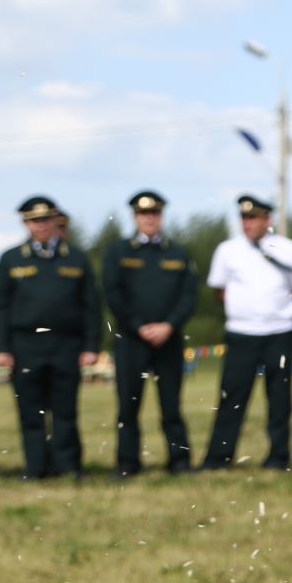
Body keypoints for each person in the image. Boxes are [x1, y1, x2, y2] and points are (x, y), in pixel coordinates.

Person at [202, 195, 292, 471]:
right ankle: (218, 458)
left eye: (253, 218)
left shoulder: (290, 249)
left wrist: (277, 311)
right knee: (232, 398)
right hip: (241, 333)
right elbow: (219, 290)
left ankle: (278, 457)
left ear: (267, 220)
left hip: (279, 332)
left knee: (280, 399)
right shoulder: (228, 250)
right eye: (243, 218)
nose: (247, 223)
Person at [0, 196, 100, 479]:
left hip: (66, 344)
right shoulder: (11, 259)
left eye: (45, 220)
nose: (40, 226)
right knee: (31, 410)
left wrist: (91, 346)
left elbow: (91, 305)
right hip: (25, 344)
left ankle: (68, 467)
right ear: (25, 224)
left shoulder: (76, 258)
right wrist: (2, 347)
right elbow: (1, 306)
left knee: (65, 409)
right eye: (34, 221)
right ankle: (36, 467)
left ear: (56, 220)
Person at [101, 190, 197, 476]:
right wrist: (139, 325)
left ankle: (179, 461)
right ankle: (128, 462)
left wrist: (169, 324)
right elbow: (113, 294)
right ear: (135, 217)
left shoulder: (178, 253)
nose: (149, 219)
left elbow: (188, 295)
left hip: (169, 339)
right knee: (128, 405)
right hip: (131, 340)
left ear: (161, 216)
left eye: (154, 213)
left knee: (171, 405)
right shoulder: (119, 251)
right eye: (144, 214)